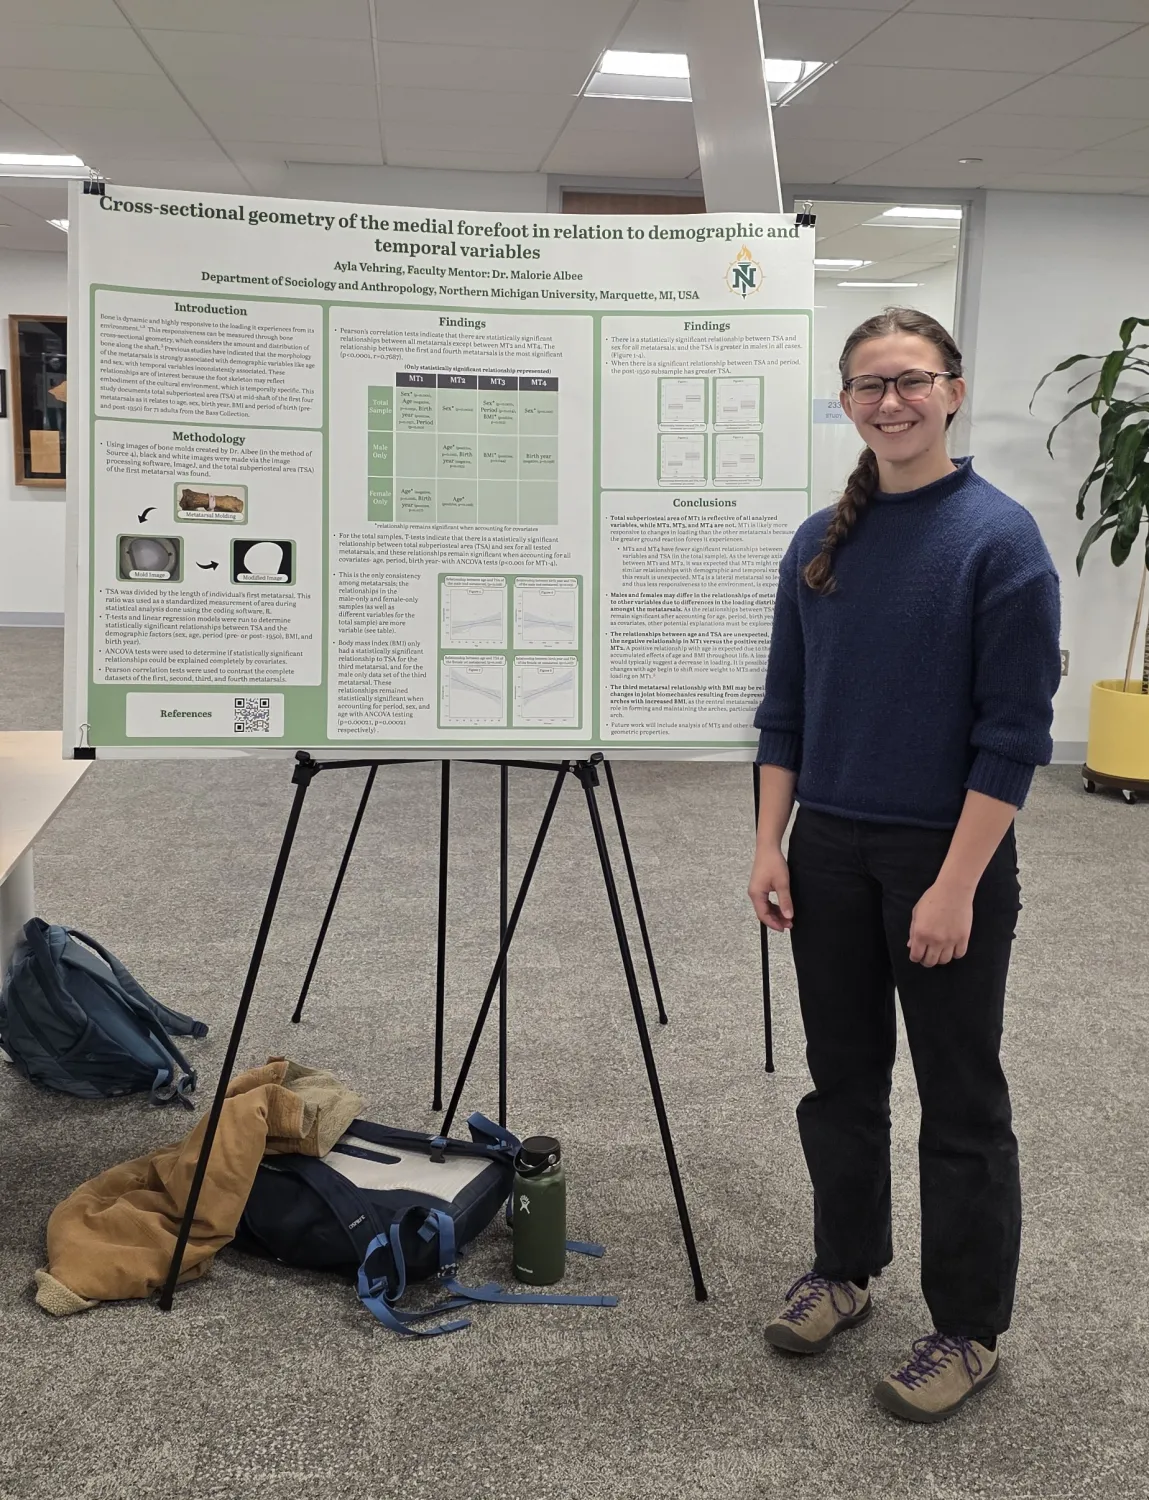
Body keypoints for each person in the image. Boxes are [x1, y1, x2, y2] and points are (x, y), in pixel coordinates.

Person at [748, 307, 1061, 1424]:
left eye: (911, 381)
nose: (891, 402)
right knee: (842, 1084)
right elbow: (783, 713)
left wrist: (955, 883)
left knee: (960, 1099)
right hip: (826, 848)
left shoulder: (999, 540)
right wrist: (767, 844)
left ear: (953, 391)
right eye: (869, 385)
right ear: (846, 402)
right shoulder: (817, 542)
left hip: (946, 852)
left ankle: (968, 1328)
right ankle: (844, 1269)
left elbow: (1013, 735)